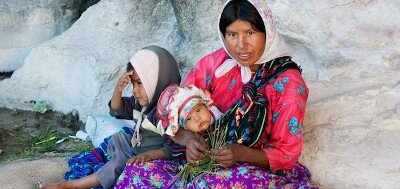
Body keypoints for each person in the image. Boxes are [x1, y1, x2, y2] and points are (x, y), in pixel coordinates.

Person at [115, 0, 317, 188]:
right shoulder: (217, 64)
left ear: (267, 31)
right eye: (232, 34)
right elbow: (172, 107)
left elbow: (286, 154)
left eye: (250, 33)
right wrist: (188, 141)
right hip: (204, 158)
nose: (241, 45)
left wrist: (240, 153)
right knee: (135, 172)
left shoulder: (288, 84)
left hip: (253, 168)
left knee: (208, 184)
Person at [39, 45, 181, 189]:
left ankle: (71, 186)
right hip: (139, 149)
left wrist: (148, 156)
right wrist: (118, 90)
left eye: (140, 83)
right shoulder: (141, 104)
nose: (135, 90)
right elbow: (116, 111)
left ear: (159, 81)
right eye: (133, 84)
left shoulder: (165, 113)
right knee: (118, 138)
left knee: (121, 162)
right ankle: (116, 167)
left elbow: (171, 149)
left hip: (157, 159)